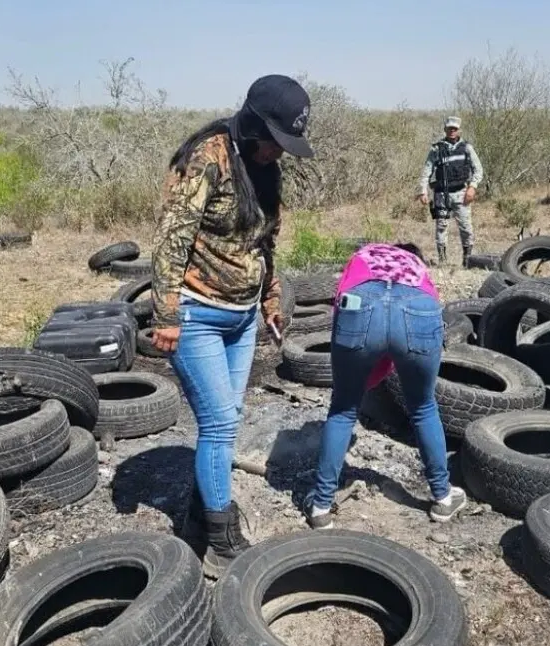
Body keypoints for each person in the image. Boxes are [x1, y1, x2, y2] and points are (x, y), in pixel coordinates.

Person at [149, 74, 313, 578]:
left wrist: (272, 298)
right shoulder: (209, 157)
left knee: (229, 417)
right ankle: (221, 539)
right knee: (219, 422)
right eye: (274, 142)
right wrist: (166, 313)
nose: (277, 154)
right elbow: (171, 238)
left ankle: (200, 518)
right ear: (252, 125)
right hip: (197, 312)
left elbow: (265, 244)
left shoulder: (267, 171)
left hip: (242, 317)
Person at [301, 241, 467, 530]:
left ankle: (321, 506)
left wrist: (361, 379)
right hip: (420, 307)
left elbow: (341, 304)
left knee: (343, 409)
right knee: (423, 407)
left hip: (360, 303)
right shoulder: (417, 267)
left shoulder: (364, 255)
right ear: (413, 255)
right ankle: (442, 496)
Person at [416, 116, 484, 265]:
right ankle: (443, 261)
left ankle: (467, 260)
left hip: (461, 193)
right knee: (441, 227)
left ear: (458, 129)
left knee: (466, 227)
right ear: (445, 129)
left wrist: (472, 187)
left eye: (454, 128)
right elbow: (427, 171)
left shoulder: (466, 148)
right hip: (441, 195)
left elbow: (478, 170)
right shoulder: (436, 149)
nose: (452, 131)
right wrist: (423, 191)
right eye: (449, 128)